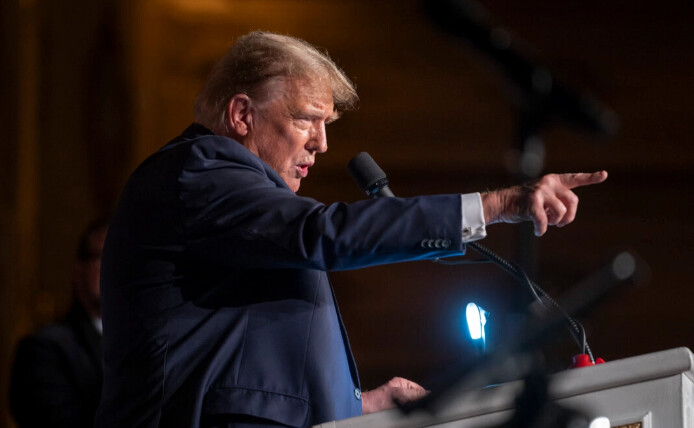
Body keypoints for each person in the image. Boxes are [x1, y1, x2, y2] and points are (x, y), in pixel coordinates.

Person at [95, 31, 607, 428]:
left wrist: (355, 402)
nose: (321, 145)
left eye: (327, 126)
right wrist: (498, 204)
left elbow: (245, 351)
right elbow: (322, 234)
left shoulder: (231, 198)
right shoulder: (199, 171)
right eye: (305, 120)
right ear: (241, 114)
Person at [9, 217, 108, 428]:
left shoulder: (144, 344)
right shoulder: (44, 349)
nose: (114, 269)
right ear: (79, 268)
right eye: (103, 257)